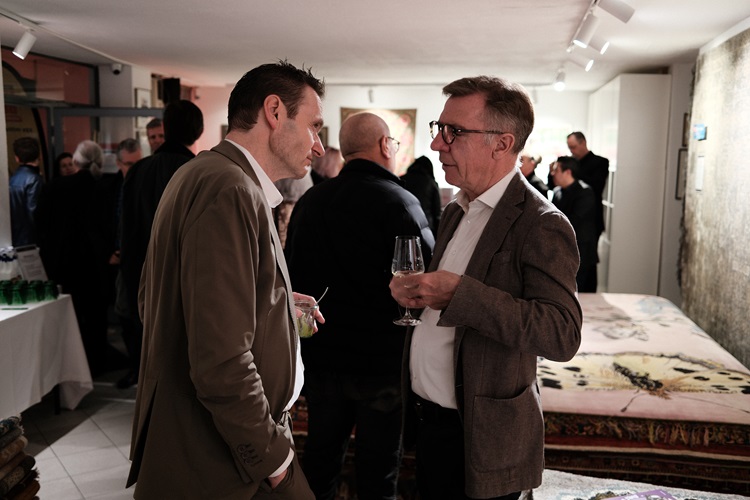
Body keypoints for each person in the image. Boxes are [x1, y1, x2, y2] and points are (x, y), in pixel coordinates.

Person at [127, 61, 325, 499]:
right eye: (314, 126)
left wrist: (272, 304)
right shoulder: (231, 188)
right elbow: (221, 362)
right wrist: (277, 464)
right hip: (220, 461)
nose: (319, 145)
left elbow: (158, 299)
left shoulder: (203, 172)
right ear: (274, 111)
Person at [389, 76, 582, 500]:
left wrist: (460, 294)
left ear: (502, 143)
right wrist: (418, 296)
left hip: (484, 435)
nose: (437, 144)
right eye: (438, 129)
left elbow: (561, 332)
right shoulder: (457, 210)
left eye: (453, 132)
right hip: (430, 423)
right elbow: (444, 301)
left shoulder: (541, 223)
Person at [285, 112, 434, 500]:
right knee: (378, 469)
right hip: (381, 361)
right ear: (385, 145)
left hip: (321, 354)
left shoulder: (311, 202)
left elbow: (291, 277)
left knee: (320, 460)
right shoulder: (401, 202)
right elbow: (425, 280)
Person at [118, 101, 203, 389]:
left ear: (165, 129)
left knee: (150, 357)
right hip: (182, 280)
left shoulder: (138, 170)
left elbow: (127, 229)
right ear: (198, 131)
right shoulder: (197, 171)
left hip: (140, 273)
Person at [36, 140, 112, 375]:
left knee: (69, 318)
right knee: (96, 318)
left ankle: (68, 367)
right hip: (95, 265)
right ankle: (96, 363)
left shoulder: (54, 187)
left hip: (63, 265)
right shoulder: (104, 188)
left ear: (77, 161)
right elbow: (109, 227)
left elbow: (41, 226)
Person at [551, 156, 598, 293]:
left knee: (580, 292)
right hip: (562, 249)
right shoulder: (557, 192)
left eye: (556, 170)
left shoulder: (585, 192)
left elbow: (574, 220)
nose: (553, 173)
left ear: (568, 172)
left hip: (581, 251)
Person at [566, 131, 609, 236]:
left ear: (583, 143)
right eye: (569, 148)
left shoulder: (600, 162)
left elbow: (597, 186)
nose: (572, 151)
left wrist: (573, 172)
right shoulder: (570, 163)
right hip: (572, 214)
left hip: (592, 216)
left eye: (574, 147)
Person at [9, 137, 43, 247]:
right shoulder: (34, 179)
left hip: (15, 238)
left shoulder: (12, 179)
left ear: (17, 158)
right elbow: (34, 212)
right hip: (31, 240)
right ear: (39, 156)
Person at [401, 155, 442, 236]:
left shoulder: (401, 179)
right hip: (426, 228)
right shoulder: (431, 182)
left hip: (403, 225)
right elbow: (436, 212)